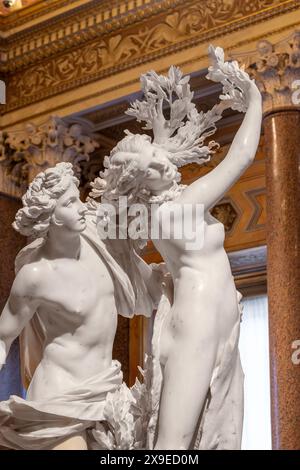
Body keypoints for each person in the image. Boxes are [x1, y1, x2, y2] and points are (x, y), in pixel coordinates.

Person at [92, 47, 262, 449]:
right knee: (175, 442)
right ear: (140, 182)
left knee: (213, 430)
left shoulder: (165, 212)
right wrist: (255, 99)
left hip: (215, 316)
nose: (163, 164)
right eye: (151, 165)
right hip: (198, 321)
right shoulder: (178, 210)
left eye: (158, 154)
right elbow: (241, 157)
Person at [0, 162, 158, 450]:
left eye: (79, 198)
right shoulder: (36, 276)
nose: (82, 207)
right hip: (60, 397)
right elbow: (3, 336)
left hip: (107, 391)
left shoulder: (100, 240)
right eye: (70, 203)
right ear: (51, 216)